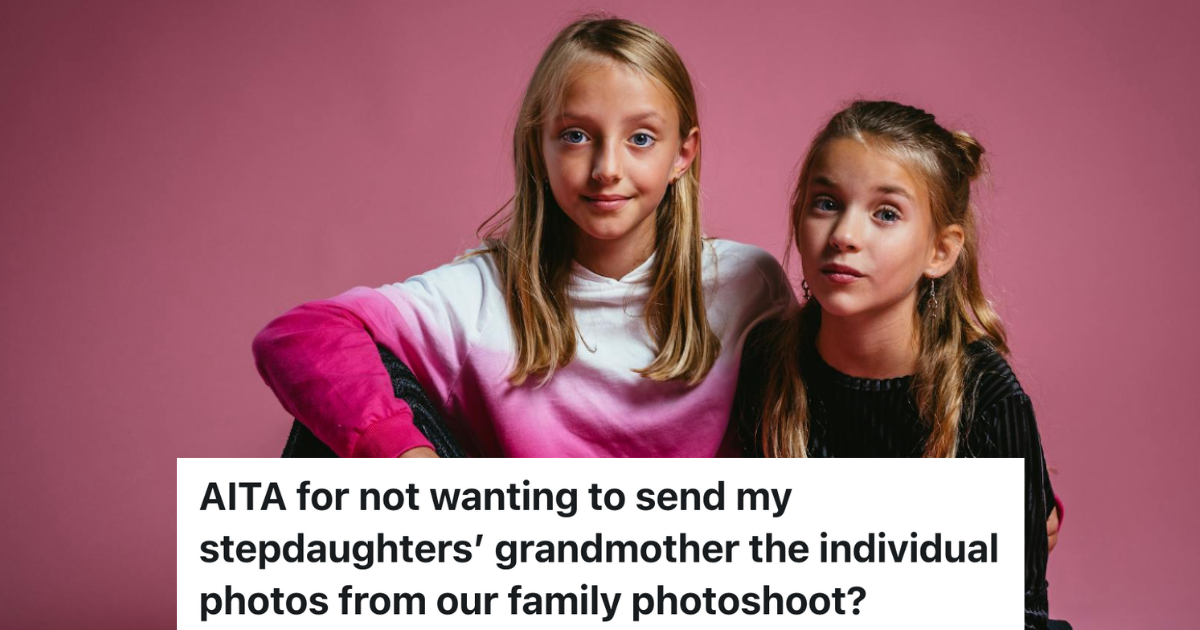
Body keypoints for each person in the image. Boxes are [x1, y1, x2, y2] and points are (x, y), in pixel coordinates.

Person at [253, 16, 792, 458]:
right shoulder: (484, 291)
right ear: (539, 147)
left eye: (641, 138)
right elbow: (298, 336)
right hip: (522, 570)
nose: (607, 167)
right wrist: (404, 461)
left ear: (682, 154)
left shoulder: (744, 282)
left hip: (691, 569)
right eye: (575, 136)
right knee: (338, 415)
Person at [735, 100, 1055, 627]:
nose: (843, 234)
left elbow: (1020, 612)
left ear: (940, 251)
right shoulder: (766, 361)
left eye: (886, 213)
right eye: (825, 202)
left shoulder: (985, 395)